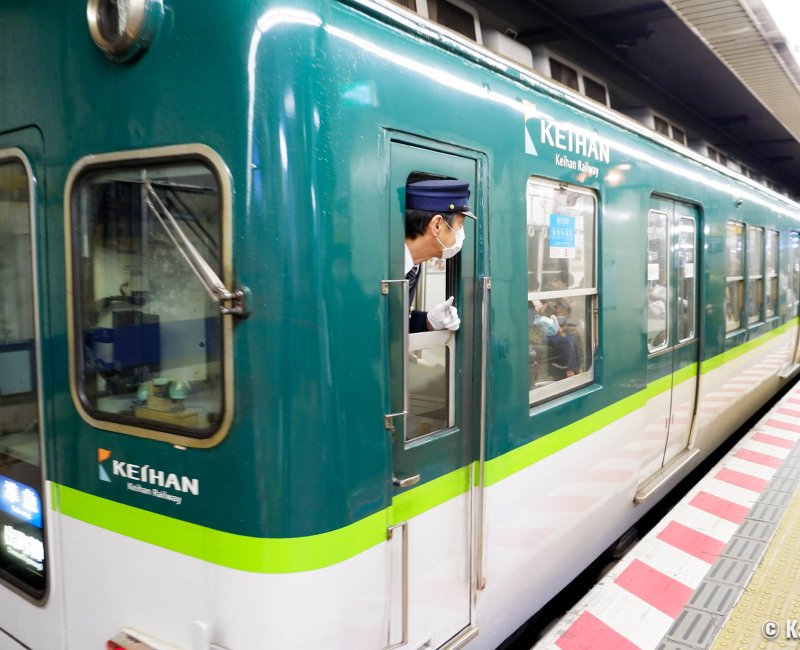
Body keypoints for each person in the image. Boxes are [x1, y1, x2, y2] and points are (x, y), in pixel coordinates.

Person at [404, 179, 476, 333]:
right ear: (437, 225)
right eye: (459, 226)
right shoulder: (376, 266)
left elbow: (394, 320)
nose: (461, 234)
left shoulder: (414, 267)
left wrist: (428, 321)